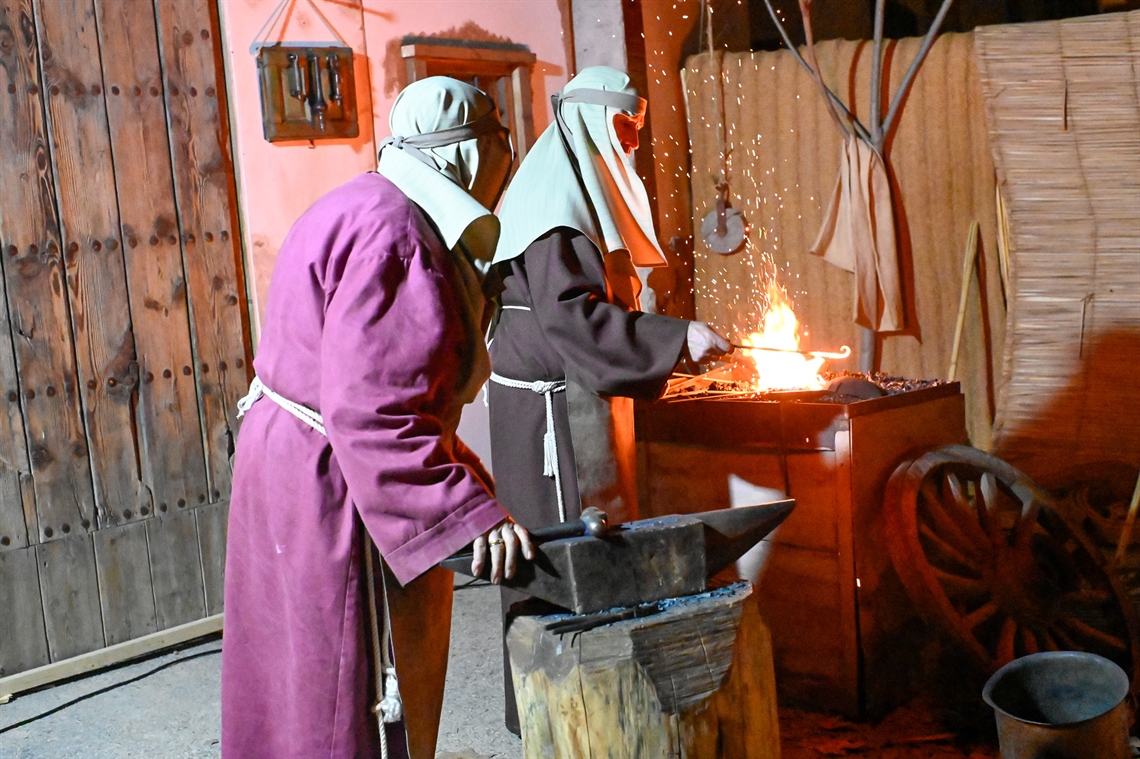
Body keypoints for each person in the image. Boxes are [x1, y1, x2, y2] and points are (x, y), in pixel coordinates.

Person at [221, 77, 533, 759]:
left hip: (288, 454)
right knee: (340, 685)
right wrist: (463, 509)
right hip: (332, 478)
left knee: (293, 681)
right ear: (469, 155)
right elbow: (375, 410)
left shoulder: (362, 199)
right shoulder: (400, 234)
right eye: (496, 145)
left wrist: (473, 487)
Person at [487, 65, 730, 733]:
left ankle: (583, 712)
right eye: (623, 126)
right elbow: (574, 321)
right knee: (568, 553)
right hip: (552, 416)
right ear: (589, 120)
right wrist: (676, 337)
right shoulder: (555, 211)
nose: (631, 143)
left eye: (637, 128)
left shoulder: (568, 186)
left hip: (565, 394)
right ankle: (566, 717)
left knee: (582, 550)